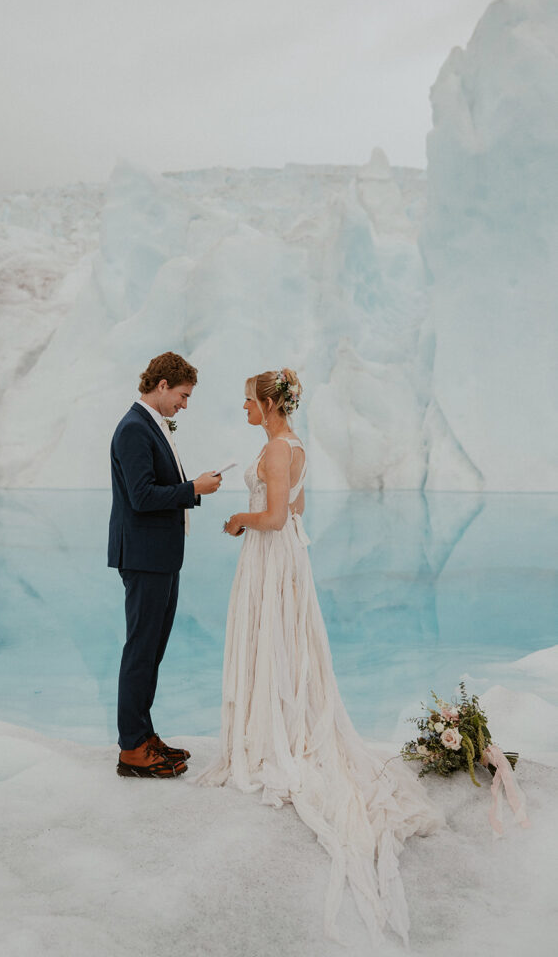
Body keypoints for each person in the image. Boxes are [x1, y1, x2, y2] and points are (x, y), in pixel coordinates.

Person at [196, 368, 442, 944]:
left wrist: (237, 520)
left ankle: (273, 734)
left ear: (270, 405)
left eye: (249, 400)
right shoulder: (294, 447)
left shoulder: (277, 449)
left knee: (272, 641)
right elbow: (299, 507)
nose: (245, 409)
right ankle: (281, 719)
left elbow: (278, 516)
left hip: (270, 554)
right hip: (285, 560)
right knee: (283, 643)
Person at [109, 351, 222, 779]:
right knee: (141, 650)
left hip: (157, 556)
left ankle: (142, 734)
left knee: (151, 650)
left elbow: (153, 487)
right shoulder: (134, 428)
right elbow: (141, 497)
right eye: (183, 395)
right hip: (144, 556)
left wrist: (191, 488)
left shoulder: (147, 424)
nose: (184, 405)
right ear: (162, 386)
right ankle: (132, 750)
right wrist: (193, 488)